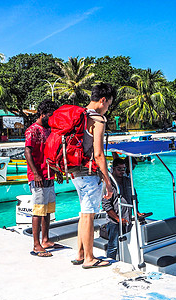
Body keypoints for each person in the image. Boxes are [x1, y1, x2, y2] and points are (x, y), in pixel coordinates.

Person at [71, 83, 116, 269]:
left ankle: (80, 253)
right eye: (109, 104)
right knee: (89, 214)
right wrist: (108, 181)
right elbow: (98, 154)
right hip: (89, 173)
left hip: (74, 172)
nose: (107, 108)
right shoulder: (97, 119)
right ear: (103, 100)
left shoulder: (80, 115)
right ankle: (89, 259)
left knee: (83, 213)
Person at [24, 99, 62, 257]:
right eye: (50, 115)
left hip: (49, 174)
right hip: (37, 175)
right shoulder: (32, 130)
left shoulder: (49, 130)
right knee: (38, 210)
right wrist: (36, 173)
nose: (51, 118)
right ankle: (36, 244)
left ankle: (45, 239)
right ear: (42, 114)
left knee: (47, 209)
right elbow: (27, 152)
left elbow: (52, 153)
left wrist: (57, 171)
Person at [101, 158, 149, 260]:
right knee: (113, 247)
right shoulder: (108, 185)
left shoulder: (128, 181)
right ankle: (111, 265)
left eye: (123, 169)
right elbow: (106, 206)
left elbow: (133, 198)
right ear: (113, 168)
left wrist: (137, 212)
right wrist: (118, 219)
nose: (122, 171)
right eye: (119, 169)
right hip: (114, 222)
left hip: (126, 220)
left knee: (125, 244)